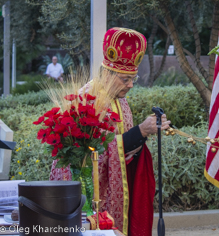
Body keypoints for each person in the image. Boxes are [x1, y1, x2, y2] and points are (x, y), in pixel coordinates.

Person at [49, 27, 171, 236]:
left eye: (133, 78)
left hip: (114, 196)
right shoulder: (87, 99)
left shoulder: (120, 101)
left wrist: (144, 133)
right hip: (88, 197)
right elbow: (87, 154)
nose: (131, 85)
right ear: (107, 73)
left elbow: (122, 147)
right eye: (125, 79)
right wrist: (140, 131)